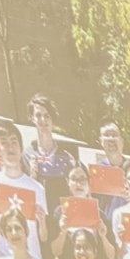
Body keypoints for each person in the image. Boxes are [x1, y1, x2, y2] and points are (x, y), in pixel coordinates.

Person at [0, 121, 48, 259]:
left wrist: (42, 221)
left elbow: (43, 237)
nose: (10, 147)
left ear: (21, 148)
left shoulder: (36, 188)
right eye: (4, 143)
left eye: (14, 142)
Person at [49, 161, 117, 259]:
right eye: (74, 179)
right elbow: (55, 251)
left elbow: (111, 255)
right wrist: (63, 232)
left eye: (82, 179)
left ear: (89, 183)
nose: (78, 183)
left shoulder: (99, 214)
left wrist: (103, 237)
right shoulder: (60, 212)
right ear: (67, 181)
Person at [23, 93, 76, 222]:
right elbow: (22, 192)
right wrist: (32, 177)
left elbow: (75, 193)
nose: (43, 119)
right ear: (32, 118)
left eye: (47, 116)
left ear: (53, 120)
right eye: (38, 115)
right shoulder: (26, 155)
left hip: (61, 221)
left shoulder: (67, 158)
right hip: (37, 219)